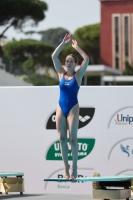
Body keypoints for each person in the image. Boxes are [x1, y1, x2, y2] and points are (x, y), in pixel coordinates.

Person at [51, 33, 89, 179]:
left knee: (73, 138)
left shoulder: (78, 76)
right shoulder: (61, 73)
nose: (68, 63)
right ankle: (65, 168)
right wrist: (63, 44)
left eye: (71, 61)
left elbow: (87, 59)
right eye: (67, 61)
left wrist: (76, 47)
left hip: (73, 107)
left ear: (75, 63)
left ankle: (75, 167)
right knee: (62, 139)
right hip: (61, 107)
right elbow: (54, 57)